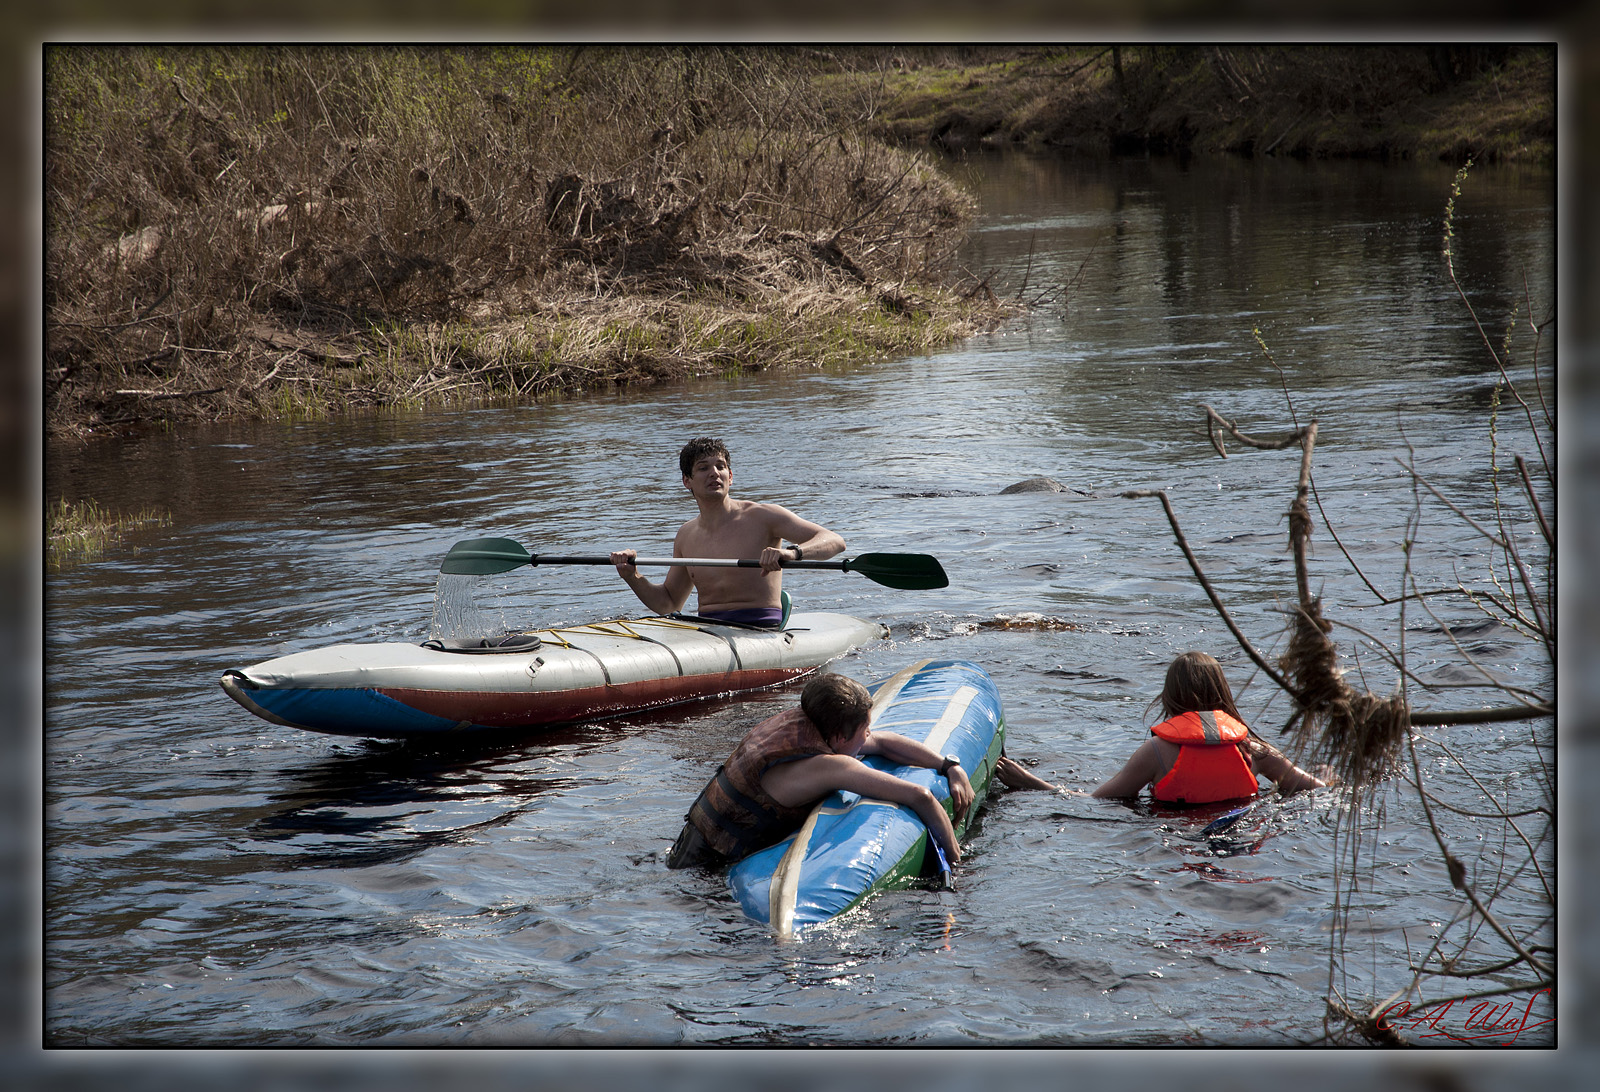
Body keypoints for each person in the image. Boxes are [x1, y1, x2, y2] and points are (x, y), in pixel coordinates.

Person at [667, 673, 975, 870]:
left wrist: (948, 766)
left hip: (686, 844)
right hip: (705, 867)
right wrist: (957, 862)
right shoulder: (830, 765)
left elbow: (882, 743)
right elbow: (919, 797)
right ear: (840, 738)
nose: (869, 735)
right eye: (864, 729)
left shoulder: (806, 724)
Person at [994, 650, 1330, 801]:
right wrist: (1328, 777)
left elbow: (1094, 801)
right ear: (1223, 694)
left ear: (1170, 698)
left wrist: (1032, 783)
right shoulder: (1255, 751)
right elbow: (1316, 790)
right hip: (1238, 841)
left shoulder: (1155, 752)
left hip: (1175, 847)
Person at [611, 437, 846, 627]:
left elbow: (834, 541)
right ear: (687, 481)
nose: (714, 473)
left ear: (730, 477)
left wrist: (792, 553)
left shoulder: (764, 516)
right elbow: (669, 603)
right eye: (703, 468)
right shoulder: (686, 534)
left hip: (760, 627)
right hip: (707, 630)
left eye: (720, 466)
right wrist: (633, 576)